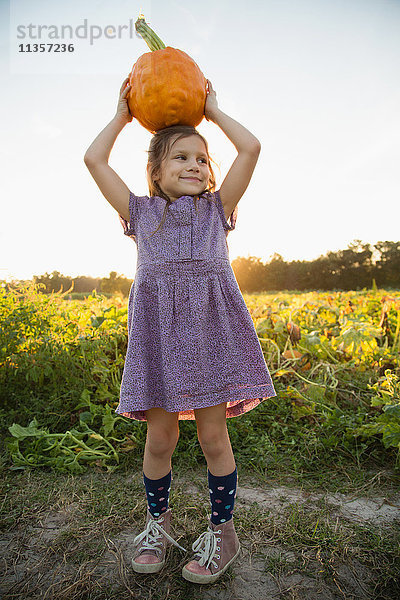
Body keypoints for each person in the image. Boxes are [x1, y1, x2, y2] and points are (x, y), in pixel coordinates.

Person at [84, 76, 277, 584]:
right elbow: (94, 161)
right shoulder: (141, 214)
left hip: (211, 341)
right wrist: (124, 115)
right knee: (160, 439)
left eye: (201, 158)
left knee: (214, 439)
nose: (195, 165)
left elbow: (251, 147)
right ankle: (157, 523)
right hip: (161, 344)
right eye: (180, 158)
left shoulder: (217, 210)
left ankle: (223, 533)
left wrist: (211, 110)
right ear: (154, 171)